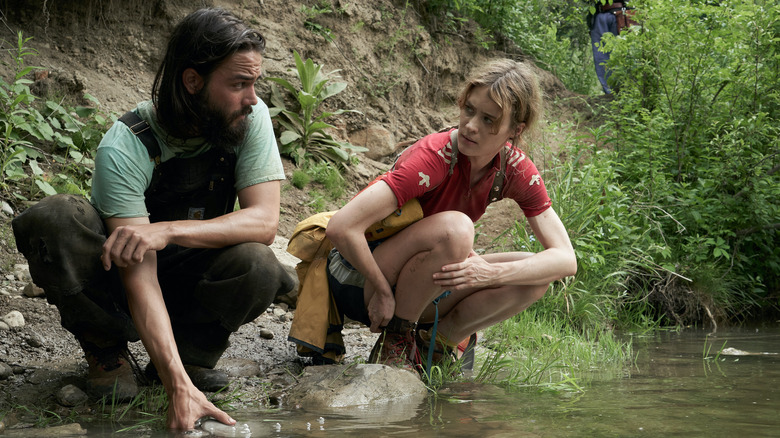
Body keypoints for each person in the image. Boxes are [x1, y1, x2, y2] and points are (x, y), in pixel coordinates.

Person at [11, 8, 294, 430]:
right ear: (193, 81)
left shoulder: (248, 119)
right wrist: (177, 389)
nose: (252, 98)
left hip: (189, 271)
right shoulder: (125, 146)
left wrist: (168, 229)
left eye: (254, 83)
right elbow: (139, 277)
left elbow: (264, 221)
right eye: (238, 84)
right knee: (55, 217)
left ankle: (190, 355)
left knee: (259, 262)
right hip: (120, 282)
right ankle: (106, 349)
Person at [324, 59, 577, 372]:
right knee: (457, 229)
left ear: (515, 130)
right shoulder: (433, 157)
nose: (471, 125)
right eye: (469, 110)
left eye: (488, 120)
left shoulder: (515, 168)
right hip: (359, 279)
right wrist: (384, 294)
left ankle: (438, 343)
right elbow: (342, 227)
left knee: (535, 276)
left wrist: (491, 274)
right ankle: (397, 339)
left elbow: (566, 260)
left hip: (422, 284)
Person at [588, 0, 633, 94]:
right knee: (624, 52)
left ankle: (612, 92)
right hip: (621, 15)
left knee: (602, 54)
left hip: (616, 15)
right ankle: (623, 92)